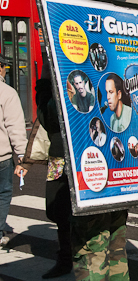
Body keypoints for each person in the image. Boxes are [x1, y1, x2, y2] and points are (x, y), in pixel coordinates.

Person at [22, 61, 71, 278]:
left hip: (61, 158)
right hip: (82, 159)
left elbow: (43, 109)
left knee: (59, 209)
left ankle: (66, 258)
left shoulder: (57, 102)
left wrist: (44, 79)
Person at [0, 54, 28, 247]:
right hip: (2, 156)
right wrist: (22, 156)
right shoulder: (7, 92)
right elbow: (15, 128)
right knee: (3, 192)